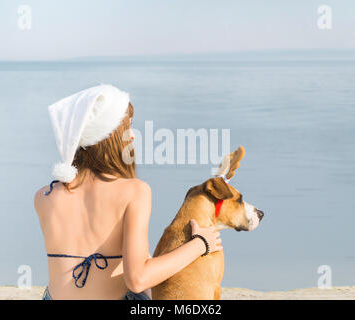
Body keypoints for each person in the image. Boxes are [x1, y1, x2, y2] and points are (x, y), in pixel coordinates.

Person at [34, 84, 223, 300]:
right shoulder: (134, 192)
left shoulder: (43, 196)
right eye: (128, 127)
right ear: (106, 136)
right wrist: (200, 244)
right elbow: (138, 278)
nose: (132, 136)